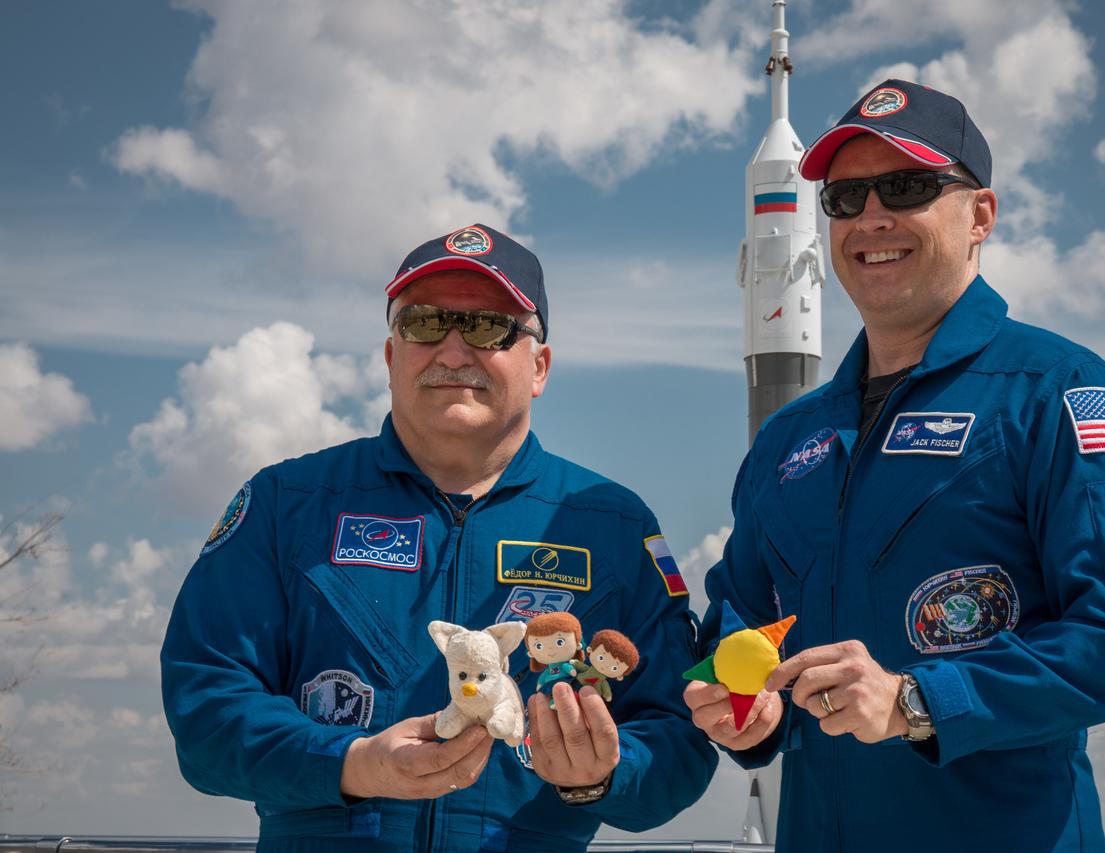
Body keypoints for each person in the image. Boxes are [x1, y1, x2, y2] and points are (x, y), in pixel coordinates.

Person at [684, 80, 1105, 853]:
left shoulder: (1059, 391)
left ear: (980, 217)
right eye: (847, 197)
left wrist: (919, 699)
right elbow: (736, 615)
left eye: (908, 187)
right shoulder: (789, 440)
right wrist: (739, 702)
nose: (871, 218)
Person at [161, 224, 717, 852]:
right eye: (424, 323)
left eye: (488, 328)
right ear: (392, 355)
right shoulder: (285, 504)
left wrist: (604, 775)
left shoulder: (615, 527)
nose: (453, 351)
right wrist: (355, 763)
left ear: (539, 366)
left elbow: (680, 737)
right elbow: (205, 707)